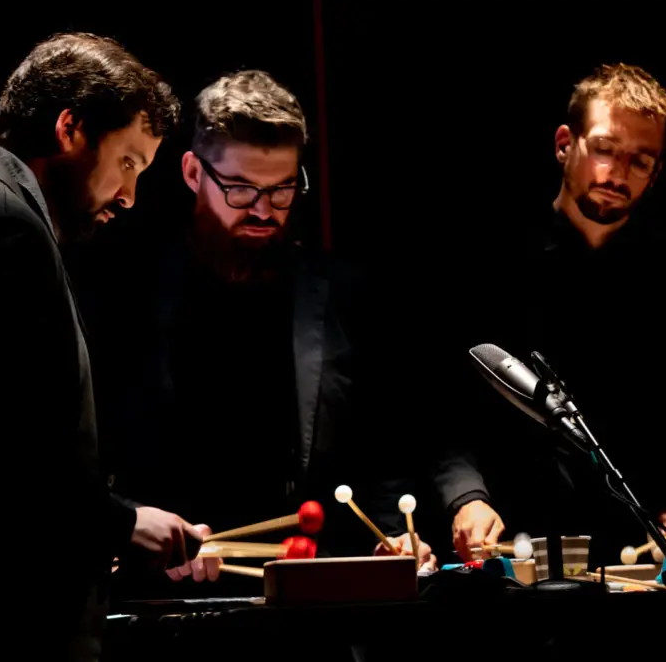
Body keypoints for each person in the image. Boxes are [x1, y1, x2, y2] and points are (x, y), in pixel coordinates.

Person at [0, 33, 207, 660]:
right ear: (70, 128)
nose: (130, 197)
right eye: (129, 162)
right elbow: (5, 457)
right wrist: (124, 523)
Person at [97, 70, 435, 592]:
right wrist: (140, 527)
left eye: (281, 191)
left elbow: (378, 446)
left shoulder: (336, 292)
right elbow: (95, 456)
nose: (262, 210)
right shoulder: (128, 292)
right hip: (165, 602)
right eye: (239, 189)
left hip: (308, 599)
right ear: (192, 172)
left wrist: (391, 534)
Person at [441, 63, 666, 563]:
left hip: (638, 549)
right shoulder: (490, 263)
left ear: (656, 173)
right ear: (563, 144)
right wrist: (467, 496)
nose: (617, 174)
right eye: (603, 149)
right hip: (513, 548)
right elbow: (444, 406)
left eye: (640, 161)